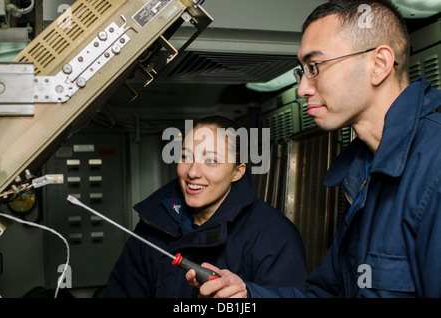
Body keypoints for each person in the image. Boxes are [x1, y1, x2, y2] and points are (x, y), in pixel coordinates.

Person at [186, 0, 441, 298]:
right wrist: (248, 296)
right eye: (302, 71)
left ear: (379, 64)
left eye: (315, 66)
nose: (302, 89)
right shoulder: (363, 173)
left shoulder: (433, 167)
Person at [104, 115, 307, 297]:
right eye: (185, 157)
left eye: (211, 160)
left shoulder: (274, 236)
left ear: (237, 171)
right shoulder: (153, 225)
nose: (193, 172)